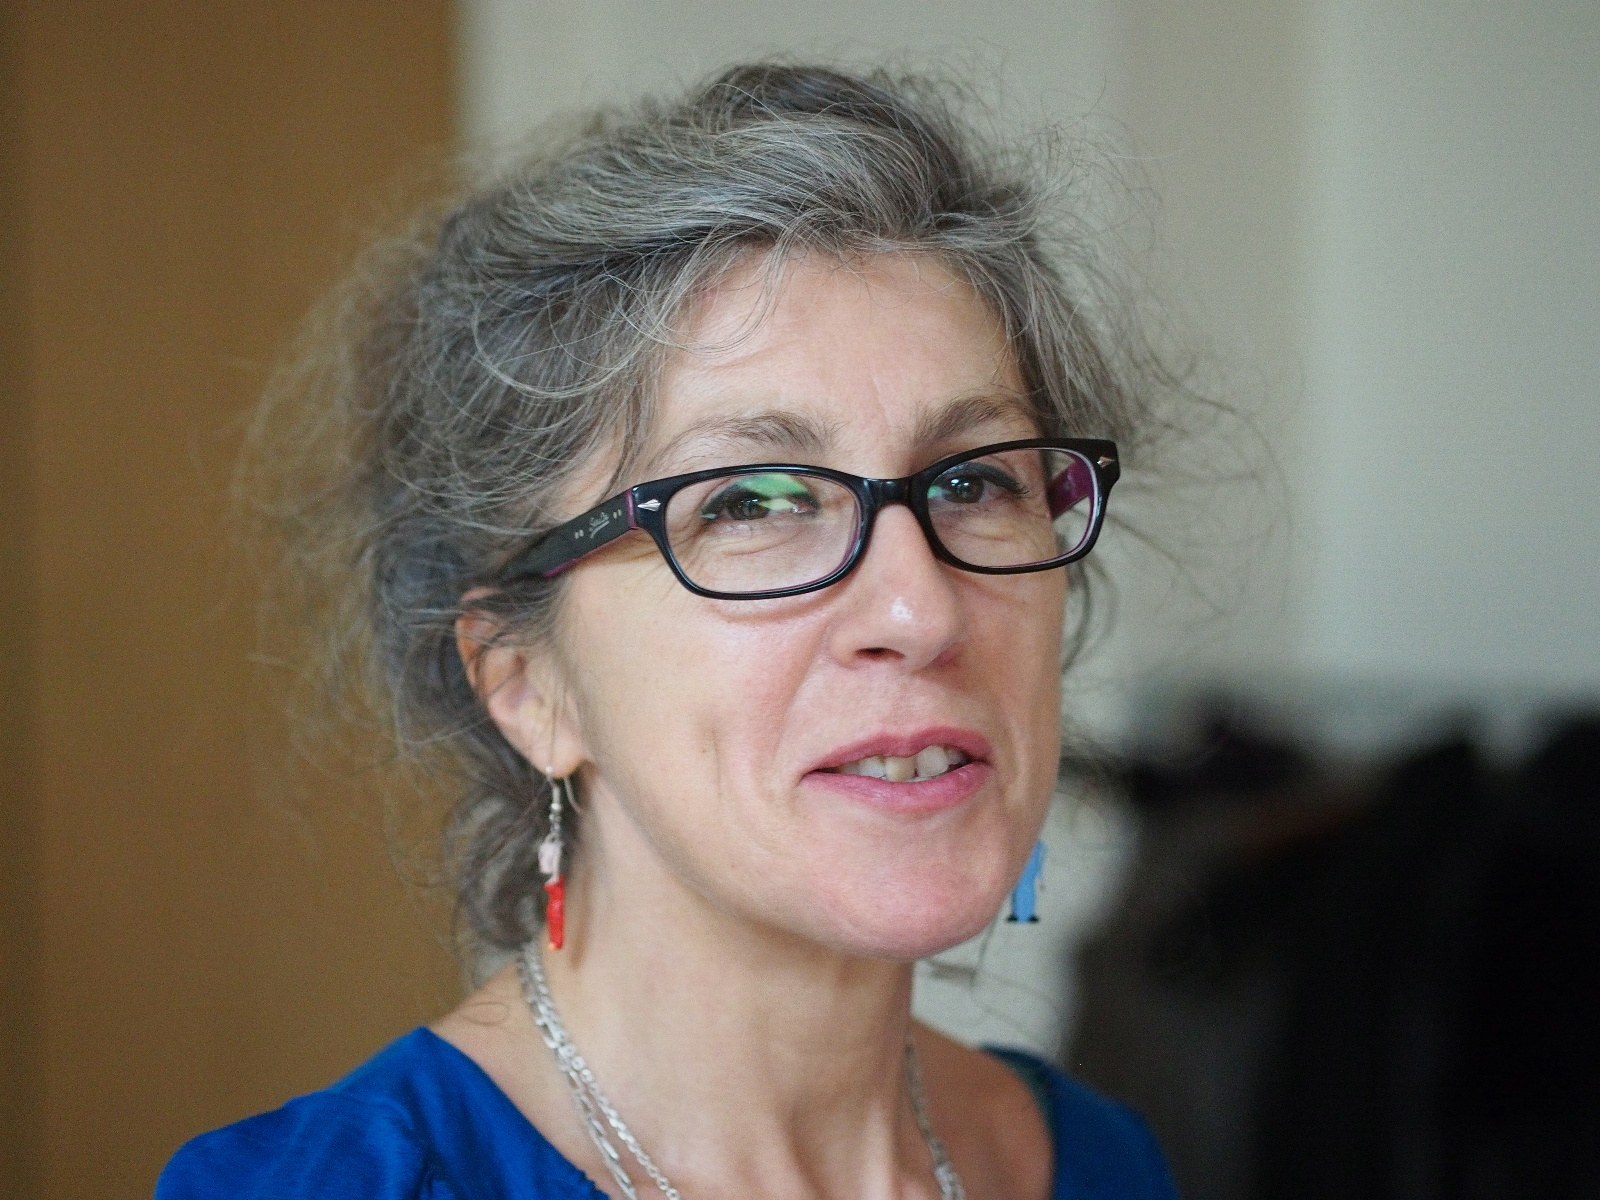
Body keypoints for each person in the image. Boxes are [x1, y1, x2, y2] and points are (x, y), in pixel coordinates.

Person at [158, 62, 1177, 1199]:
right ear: (525, 684)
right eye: (752, 503)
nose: (920, 609)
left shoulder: (1102, 1165)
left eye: (974, 481)